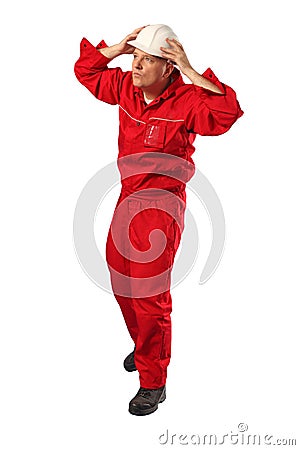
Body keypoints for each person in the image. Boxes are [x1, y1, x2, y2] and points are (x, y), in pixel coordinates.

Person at [74, 24, 243, 416]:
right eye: (136, 57)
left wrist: (191, 69)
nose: (136, 65)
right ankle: (146, 346)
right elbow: (87, 71)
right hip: (128, 197)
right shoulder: (127, 89)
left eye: (147, 59)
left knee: (149, 295)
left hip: (162, 206)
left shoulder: (186, 100)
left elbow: (227, 112)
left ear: (168, 69)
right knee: (119, 278)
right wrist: (118, 47)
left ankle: (153, 381)